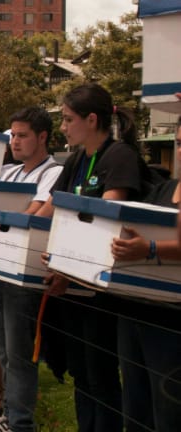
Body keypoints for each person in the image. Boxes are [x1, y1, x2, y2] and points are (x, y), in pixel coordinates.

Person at [37, 83, 147, 432]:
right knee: (81, 372)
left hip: (102, 289)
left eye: (69, 120)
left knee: (101, 375)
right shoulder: (76, 160)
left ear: (92, 119)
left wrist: (70, 271)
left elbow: (106, 223)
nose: (64, 127)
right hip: (72, 284)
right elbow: (49, 209)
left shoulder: (120, 157)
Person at [0, 107, 63, 432]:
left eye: (23, 135)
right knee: (3, 350)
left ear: (42, 137)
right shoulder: (9, 173)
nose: (15, 141)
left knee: (19, 354)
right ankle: (9, 417)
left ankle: (20, 423)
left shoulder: (53, 173)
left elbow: (32, 215)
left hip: (23, 276)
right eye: (12, 135)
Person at [110, 118, 181, 432]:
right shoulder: (164, 188)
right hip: (136, 310)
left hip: (172, 321)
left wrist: (151, 249)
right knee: (137, 407)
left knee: (169, 411)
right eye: (180, 142)